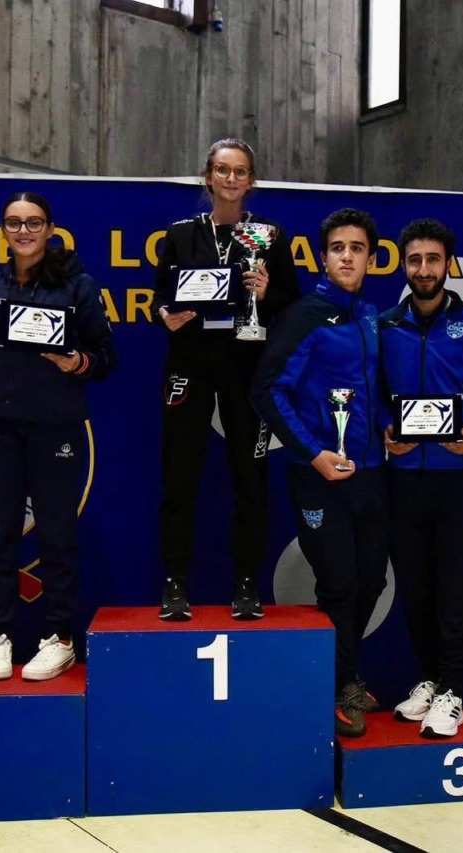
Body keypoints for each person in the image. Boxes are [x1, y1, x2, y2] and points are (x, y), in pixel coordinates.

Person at [250, 208, 388, 738]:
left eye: (357, 248)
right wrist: (313, 453)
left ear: (371, 259)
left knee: (371, 580)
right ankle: (340, 684)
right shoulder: (303, 316)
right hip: (317, 476)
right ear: (323, 257)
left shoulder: (371, 316)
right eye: (338, 248)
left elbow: (375, 390)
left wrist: (391, 430)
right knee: (339, 582)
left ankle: (342, 673)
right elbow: (266, 390)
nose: (347, 256)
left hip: (371, 472)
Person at [153, 138, 300, 621]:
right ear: (208, 176)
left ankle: (246, 584)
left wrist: (267, 292)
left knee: (250, 478)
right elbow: (160, 299)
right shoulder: (180, 234)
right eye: (222, 170)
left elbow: (291, 303)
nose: (231, 178)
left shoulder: (270, 236)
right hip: (190, 363)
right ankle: (175, 582)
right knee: (179, 476)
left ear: (251, 180)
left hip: (246, 366)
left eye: (240, 171)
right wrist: (165, 314)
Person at [0, 192, 117, 681]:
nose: (24, 231)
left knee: (56, 535)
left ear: (50, 229)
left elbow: (106, 357)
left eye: (33, 222)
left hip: (56, 427)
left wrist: (77, 363)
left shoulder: (77, 285)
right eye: (14, 223)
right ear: (3, 231)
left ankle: (58, 638)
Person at [378, 219, 463, 738]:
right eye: (414, 260)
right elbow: (376, 391)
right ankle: (430, 679)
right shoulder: (386, 324)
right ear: (403, 266)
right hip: (404, 478)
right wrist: (386, 428)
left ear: (448, 265)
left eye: (433, 259)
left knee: (456, 587)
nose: (423, 269)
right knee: (415, 586)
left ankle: (454, 691)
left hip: (457, 479)